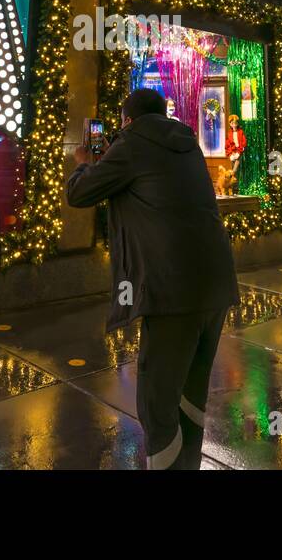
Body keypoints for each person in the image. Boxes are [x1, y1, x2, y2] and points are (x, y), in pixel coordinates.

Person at [66, 88, 239, 470]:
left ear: (128, 120)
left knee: (157, 401)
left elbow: (79, 194)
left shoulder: (130, 144)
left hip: (172, 291)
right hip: (216, 285)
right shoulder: (187, 143)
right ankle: (187, 464)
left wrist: (84, 161)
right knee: (190, 393)